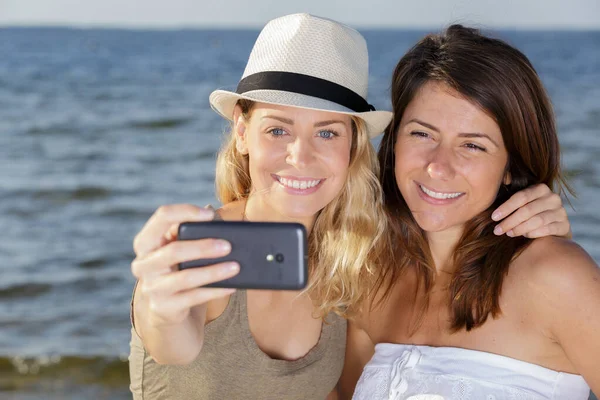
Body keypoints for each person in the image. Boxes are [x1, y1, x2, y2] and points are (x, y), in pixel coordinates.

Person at [128, 15, 573, 400]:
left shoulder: (359, 264)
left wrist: (535, 219)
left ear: (353, 144)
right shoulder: (204, 251)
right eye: (277, 130)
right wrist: (158, 303)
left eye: (326, 133)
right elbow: (172, 343)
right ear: (242, 132)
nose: (300, 156)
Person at [341, 25, 599, 400]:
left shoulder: (556, 278)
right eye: (422, 134)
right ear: (394, 140)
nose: (438, 167)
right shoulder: (372, 282)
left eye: (473, 146)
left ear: (511, 165)